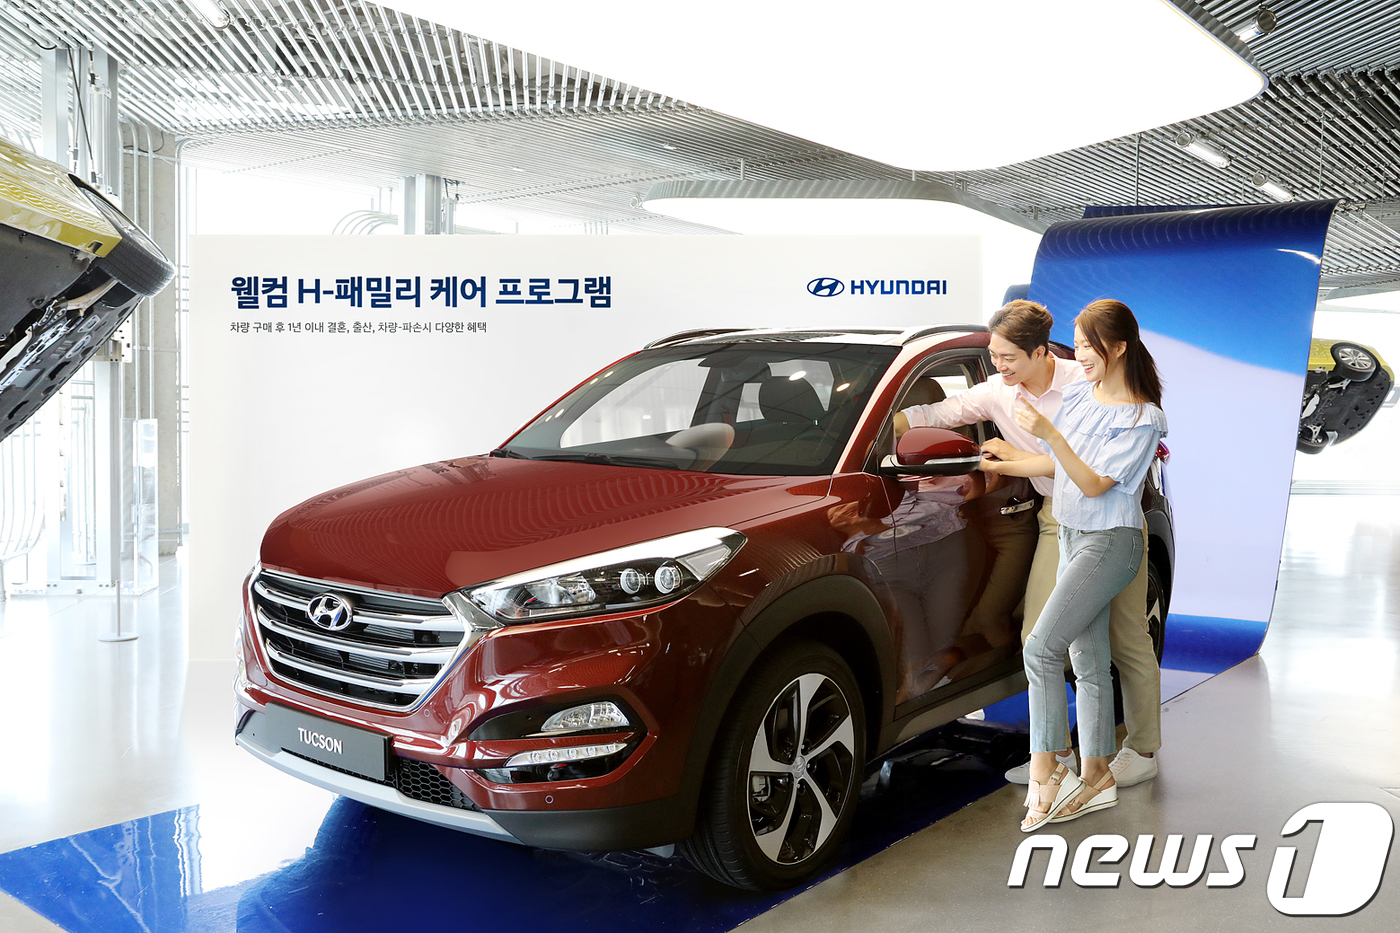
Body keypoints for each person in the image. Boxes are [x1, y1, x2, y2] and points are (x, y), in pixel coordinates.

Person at [895, 300, 1161, 788]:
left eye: (1008, 357)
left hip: (1109, 518)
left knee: (1125, 638)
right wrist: (880, 426)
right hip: (1057, 518)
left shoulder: (1085, 383)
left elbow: (1089, 468)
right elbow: (937, 413)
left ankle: (1142, 749)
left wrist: (1017, 452)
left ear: (1041, 352)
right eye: (993, 356)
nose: (998, 366)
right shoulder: (997, 391)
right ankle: (1055, 755)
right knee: (1037, 637)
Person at [978, 299, 1167, 829]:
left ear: (1119, 347)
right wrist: (1007, 460)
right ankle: (1097, 774)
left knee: (1041, 648)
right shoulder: (1081, 394)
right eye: (1078, 344)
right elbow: (1059, 466)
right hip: (1071, 533)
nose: (1078, 355)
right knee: (1087, 659)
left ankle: (1048, 769)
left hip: (1110, 540)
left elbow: (1092, 482)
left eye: (1088, 345)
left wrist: (1048, 432)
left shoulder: (1142, 418)